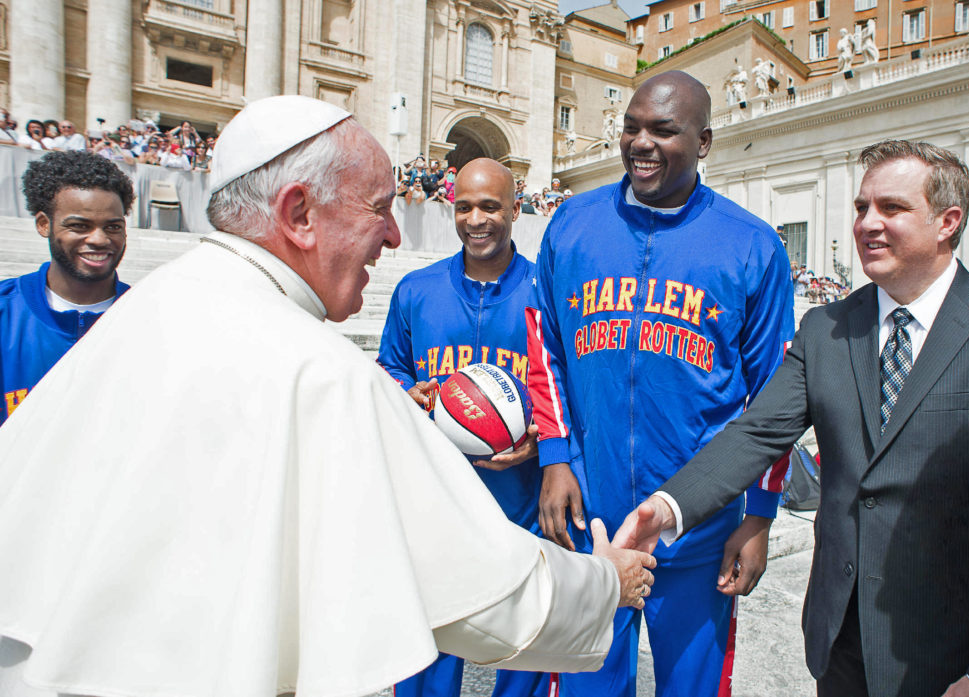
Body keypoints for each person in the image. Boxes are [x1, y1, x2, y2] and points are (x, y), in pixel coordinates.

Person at [0, 95, 656, 697]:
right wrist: (607, 583)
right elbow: (480, 593)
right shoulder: (320, 372)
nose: (397, 235)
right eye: (378, 208)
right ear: (298, 213)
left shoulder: (143, 312)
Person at [614, 140, 969, 697]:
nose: (867, 224)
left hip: (957, 653)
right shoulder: (826, 330)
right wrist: (667, 507)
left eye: (891, 208)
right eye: (861, 208)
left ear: (947, 221)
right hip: (841, 640)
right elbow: (757, 432)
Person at [526, 70, 793, 697]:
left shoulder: (751, 246)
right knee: (588, 684)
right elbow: (545, 350)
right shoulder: (573, 224)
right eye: (632, 126)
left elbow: (775, 401)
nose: (640, 143)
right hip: (593, 519)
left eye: (663, 130)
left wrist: (757, 517)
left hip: (700, 527)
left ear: (703, 142)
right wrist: (557, 457)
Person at [380, 157, 552, 697]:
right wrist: (406, 393)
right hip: (436, 503)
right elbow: (390, 368)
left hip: (520, 505)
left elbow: (569, 385)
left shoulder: (547, 292)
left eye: (490, 207)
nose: (476, 219)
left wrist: (540, 437)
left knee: (522, 652)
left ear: (516, 209)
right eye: (464, 207)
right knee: (426, 656)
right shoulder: (416, 290)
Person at [0, 149, 133, 426]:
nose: (98, 239)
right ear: (44, 224)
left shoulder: (150, 314)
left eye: (112, 227)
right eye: (79, 226)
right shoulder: (6, 312)